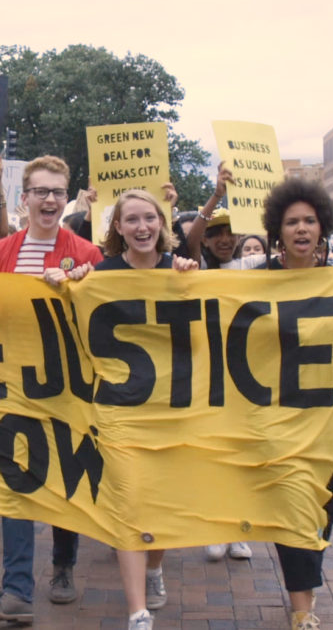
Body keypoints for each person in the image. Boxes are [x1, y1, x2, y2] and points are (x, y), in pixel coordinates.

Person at [0, 155, 103, 625]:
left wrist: (82, 288)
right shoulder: (2, 251)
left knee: (64, 479)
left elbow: (104, 319)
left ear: (68, 199)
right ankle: (16, 590)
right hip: (11, 384)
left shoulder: (86, 253)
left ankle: (62, 566)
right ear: (23, 198)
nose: (49, 199)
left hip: (67, 386)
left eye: (58, 192)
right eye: (40, 191)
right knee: (16, 484)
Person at [66, 189, 197, 630]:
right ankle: (137, 610)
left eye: (150, 218)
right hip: (119, 410)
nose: (142, 227)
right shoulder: (99, 275)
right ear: (117, 229)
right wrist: (68, 280)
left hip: (173, 407)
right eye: (132, 220)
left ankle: (155, 567)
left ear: (162, 224)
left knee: (162, 503)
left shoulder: (183, 273)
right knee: (129, 503)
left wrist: (190, 279)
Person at [258, 178, 333, 630]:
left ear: (322, 227)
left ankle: (304, 578)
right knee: (296, 503)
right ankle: (302, 607)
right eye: (292, 222)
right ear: (278, 230)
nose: (301, 228)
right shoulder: (254, 281)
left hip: (326, 416)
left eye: (309, 220)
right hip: (275, 417)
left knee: (332, 499)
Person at [186, 163, 265, 270]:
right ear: (205, 240)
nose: (225, 239)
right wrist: (217, 195)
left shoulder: (250, 265)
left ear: (239, 239)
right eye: (217, 234)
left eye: (231, 233)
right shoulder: (200, 266)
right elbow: (192, 240)